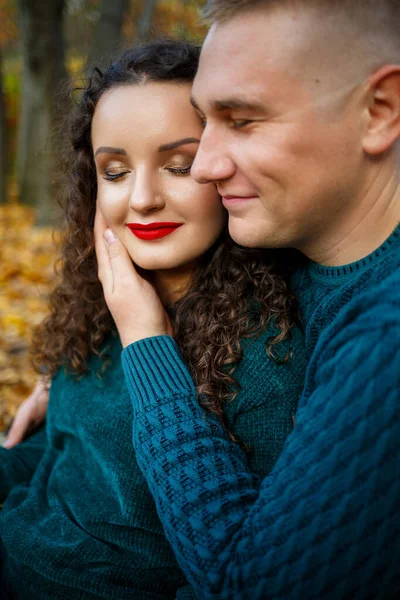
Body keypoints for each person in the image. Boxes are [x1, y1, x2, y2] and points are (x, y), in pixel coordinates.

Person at [88, 2, 400, 599]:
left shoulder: (385, 337)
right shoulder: (300, 256)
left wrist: (149, 346)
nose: (204, 165)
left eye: (242, 120)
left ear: (378, 111)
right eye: (205, 121)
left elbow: (247, 588)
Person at [0, 40, 306, 599]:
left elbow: (244, 568)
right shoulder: (97, 309)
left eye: (178, 166)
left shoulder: (271, 347)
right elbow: (58, 465)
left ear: (222, 169)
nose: (141, 198)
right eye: (114, 171)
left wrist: (149, 347)